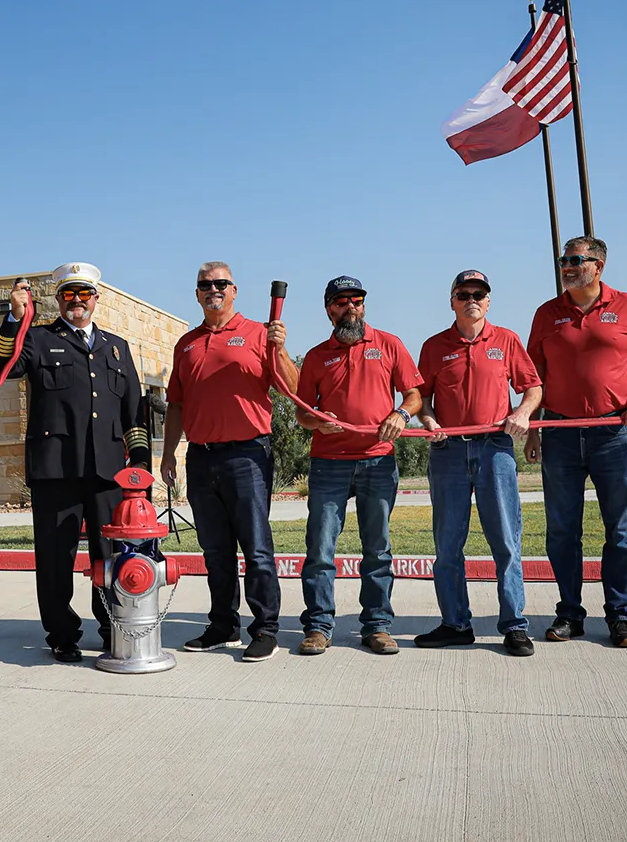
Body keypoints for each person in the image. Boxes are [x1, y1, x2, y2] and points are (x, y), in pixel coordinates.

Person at [0, 263, 150, 663]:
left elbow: (134, 411)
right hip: (55, 468)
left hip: (108, 472)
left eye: (85, 294)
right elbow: (0, 366)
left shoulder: (117, 346)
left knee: (111, 555)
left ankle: (112, 626)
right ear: (58, 300)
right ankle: (61, 633)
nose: (77, 302)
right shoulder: (39, 339)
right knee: (55, 557)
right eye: (69, 295)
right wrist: (14, 317)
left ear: (96, 299)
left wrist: (140, 460)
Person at [525, 237, 627, 648]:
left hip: (613, 435)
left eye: (576, 260)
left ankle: (620, 615)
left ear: (598, 266)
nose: (567, 266)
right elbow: (535, 377)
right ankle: (569, 612)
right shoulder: (546, 314)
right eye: (563, 260)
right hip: (561, 434)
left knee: (620, 529)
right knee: (562, 530)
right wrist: (534, 428)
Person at [159, 262, 297, 663]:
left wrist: (281, 349)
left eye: (220, 284)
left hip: (248, 455)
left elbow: (293, 388)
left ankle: (266, 628)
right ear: (197, 293)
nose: (212, 290)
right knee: (215, 550)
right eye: (205, 285)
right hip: (201, 458)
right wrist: (169, 452)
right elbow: (177, 404)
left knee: (255, 549)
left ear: (234, 290)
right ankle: (222, 625)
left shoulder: (258, 333)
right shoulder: (186, 343)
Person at [293, 276, 423, 656]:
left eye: (357, 299)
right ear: (328, 309)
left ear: (364, 305)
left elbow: (414, 395)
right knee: (319, 548)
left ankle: (377, 625)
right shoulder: (317, 356)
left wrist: (401, 413)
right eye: (341, 301)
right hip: (329, 464)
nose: (351, 306)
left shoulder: (389, 344)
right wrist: (318, 422)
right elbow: (303, 413)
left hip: (377, 461)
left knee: (377, 548)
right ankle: (318, 626)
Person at [415, 270, 541, 656]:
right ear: (452, 300)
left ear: (488, 301)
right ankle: (455, 623)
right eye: (463, 293)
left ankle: (515, 626)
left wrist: (522, 413)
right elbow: (420, 396)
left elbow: (533, 387)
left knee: (505, 541)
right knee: (448, 544)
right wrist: (429, 420)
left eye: (479, 293)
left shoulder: (506, 341)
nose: (472, 298)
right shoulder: (435, 346)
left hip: (495, 450)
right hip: (449, 451)